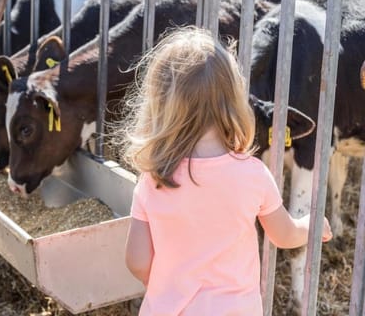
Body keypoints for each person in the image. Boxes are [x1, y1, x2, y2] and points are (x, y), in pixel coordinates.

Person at [121, 27, 333, 316]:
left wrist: (163, 288)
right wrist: (310, 225)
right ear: (233, 100)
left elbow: (136, 259)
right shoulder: (252, 174)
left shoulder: (154, 179)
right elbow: (283, 235)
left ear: (160, 105)